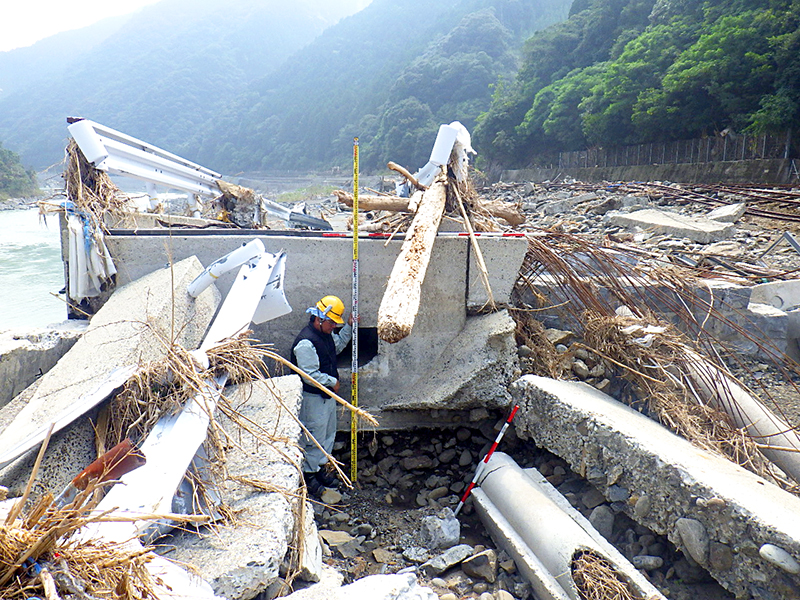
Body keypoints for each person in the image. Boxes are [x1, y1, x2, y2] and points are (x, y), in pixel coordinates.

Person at [290, 294, 353, 496]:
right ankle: (309, 477)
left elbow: (338, 345)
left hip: (325, 398)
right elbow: (310, 376)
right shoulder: (305, 343)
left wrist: (350, 327)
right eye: (332, 322)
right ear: (320, 318)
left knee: (326, 434)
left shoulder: (325, 335)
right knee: (313, 437)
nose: (334, 326)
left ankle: (319, 470)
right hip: (312, 398)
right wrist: (332, 382)